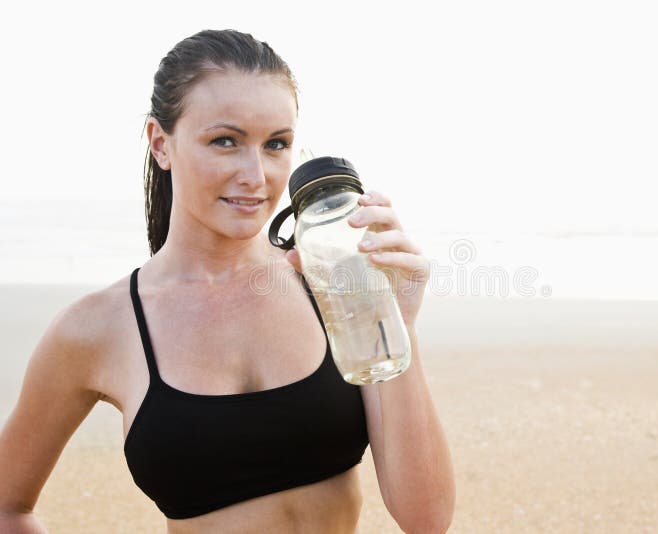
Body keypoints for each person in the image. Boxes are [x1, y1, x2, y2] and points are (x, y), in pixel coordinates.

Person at [0, 29, 455, 533]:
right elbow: (7, 505)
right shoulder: (98, 328)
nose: (255, 175)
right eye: (225, 141)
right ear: (160, 143)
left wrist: (395, 322)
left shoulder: (330, 287)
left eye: (276, 144)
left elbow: (426, 518)